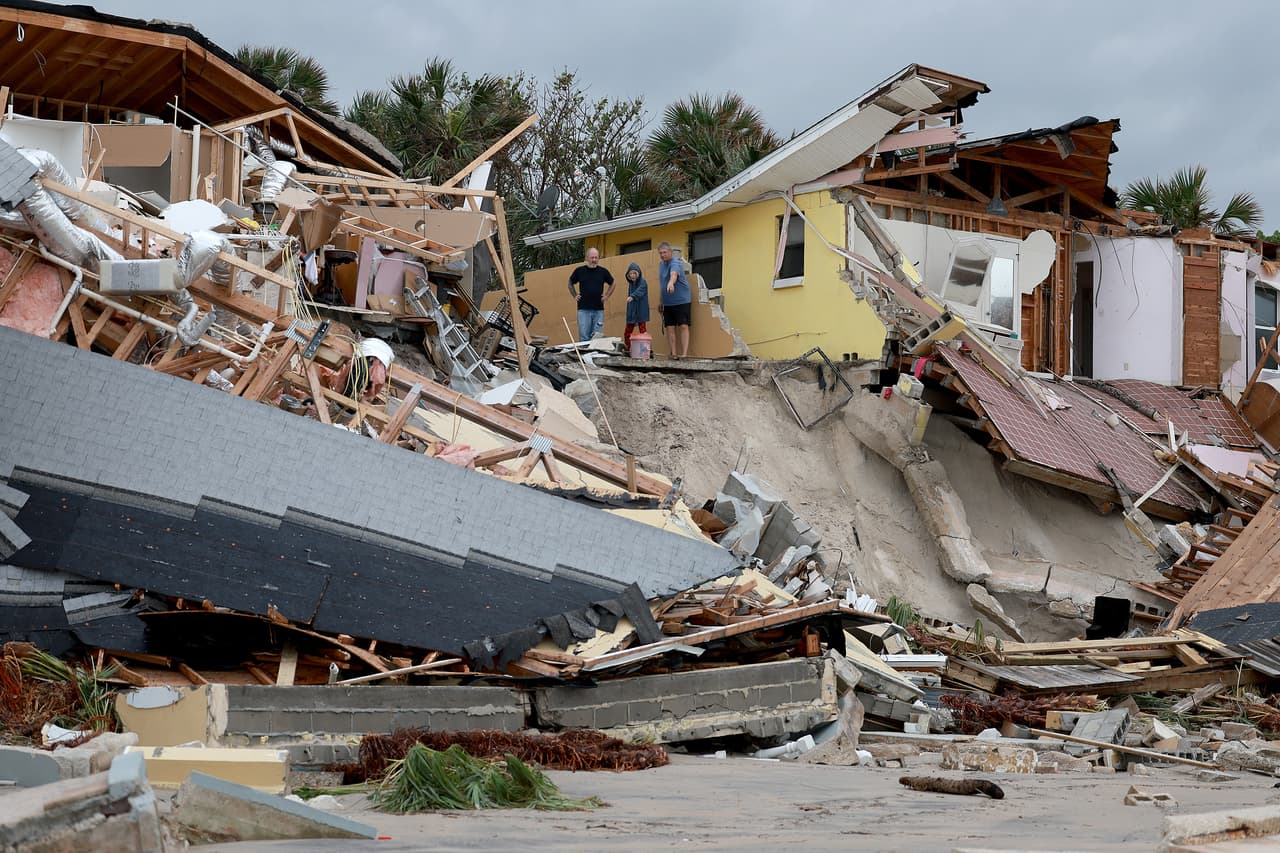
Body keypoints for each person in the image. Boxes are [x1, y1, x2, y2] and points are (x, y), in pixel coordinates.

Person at [567, 247, 614, 341]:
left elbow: (613, 282)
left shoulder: (603, 271)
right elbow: (570, 282)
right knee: (584, 337)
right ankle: (584, 356)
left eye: (596, 258)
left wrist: (607, 295)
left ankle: (594, 356)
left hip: (598, 310)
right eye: (592, 257)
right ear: (587, 258)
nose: (594, 260)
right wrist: (575, 295)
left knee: (597, 338)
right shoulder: (579, 271)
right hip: (583, 310)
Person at [657, 241, 691, 358]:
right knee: (670, 327)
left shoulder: (675, 263)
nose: (662, 255)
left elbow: (674, 274)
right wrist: (661, 301)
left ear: (670, 252)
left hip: (681, 300)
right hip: (667, 302)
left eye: (665, 252)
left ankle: (684, 355)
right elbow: (662, 283)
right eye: (660, 253)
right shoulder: (661, 265)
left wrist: (671, 283)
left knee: (683, 325)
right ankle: (674, 354)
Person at [623, 261, 649, 354]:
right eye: (631, 273)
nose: (633, 275)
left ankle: (644, 352)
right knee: (627, 332)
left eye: (634, 273)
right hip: (632, 311)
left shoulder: (643, 282)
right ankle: (627, 349)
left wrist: (632, 296)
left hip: (641, 310)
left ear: (638, 273)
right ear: (628, 275)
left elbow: (640, 291)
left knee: (643, 332)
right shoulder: (631, 284)